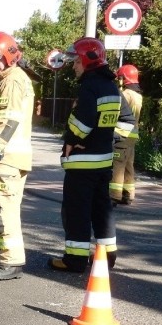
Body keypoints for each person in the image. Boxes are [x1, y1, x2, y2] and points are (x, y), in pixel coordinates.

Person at [48, 37, 132, 272]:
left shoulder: (89, 86)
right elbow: (124, 122)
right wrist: (107, 139)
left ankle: (74, 260)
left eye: (76, 61)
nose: (73, 65)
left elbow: (80, 125)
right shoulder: (111, 87)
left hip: (82, 164)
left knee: (77, 211)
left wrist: (70, 142)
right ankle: (107, 257)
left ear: (87, 60)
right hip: (103, 161)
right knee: (101, 210)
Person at [0, 32, 35, 280]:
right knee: (5, 208)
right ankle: (4, 257)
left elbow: (8, 120)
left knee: (2, 210)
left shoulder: (12, 81)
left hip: (7, 158)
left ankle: (11, 262)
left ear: (9, 56)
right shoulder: (11, 78)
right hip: (12, 158)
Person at [110, 63, 143, 205]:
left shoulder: (124, 95)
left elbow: (117, 113)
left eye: (120, 78)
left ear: (124, 79)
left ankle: (114, 195)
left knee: (117, 165)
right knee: (129, 164)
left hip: (122, 135)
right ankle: (128, 194)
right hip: (132, 136)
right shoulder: (138, 95)